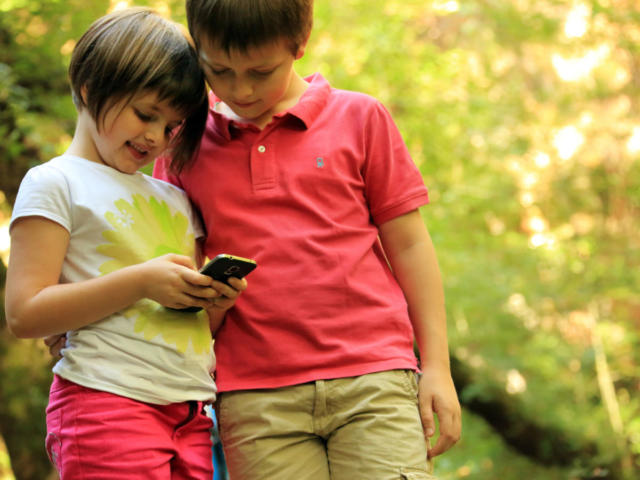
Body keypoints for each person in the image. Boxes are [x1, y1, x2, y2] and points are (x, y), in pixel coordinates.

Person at [151, 1, 462, 479]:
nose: (241, 88)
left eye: (261, 70)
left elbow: (411, 247)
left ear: (300, 43)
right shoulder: (180, 146)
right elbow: (169, 270)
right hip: (254, 398)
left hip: (374, 378)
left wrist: (436, 366)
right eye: (220, 71)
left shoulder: (360, 118)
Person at [5, 7, 246, 479]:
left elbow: (191, 323)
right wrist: (139, 281)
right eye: (145, 114)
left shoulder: (176, 199)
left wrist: (213, 298)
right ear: (93, 90)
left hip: (190, 412)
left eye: (172, 126)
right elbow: (24, 313)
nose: (156, 137)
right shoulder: (55, 182)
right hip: (104, 403)